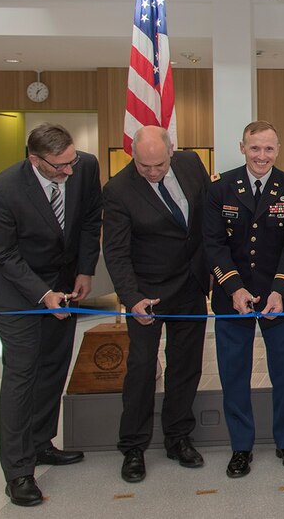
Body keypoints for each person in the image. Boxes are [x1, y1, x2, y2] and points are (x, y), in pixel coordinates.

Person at [0, 123, 102, 507]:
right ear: (35, 160)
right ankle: (18, 472)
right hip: (18, 291)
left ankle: (40, 442)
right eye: (59, 166)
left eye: (72, 161)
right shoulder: (3, 190)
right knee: (22, 375)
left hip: (64, 283)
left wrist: (85, 271)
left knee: (53, 365)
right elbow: (3, 254)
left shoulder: (84, 166)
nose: (69, 171)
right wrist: (43, 293)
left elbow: (88, 220)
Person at [103, 126, 209, 483]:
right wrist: (131, 298)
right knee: (143, 368)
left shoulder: (192, 164)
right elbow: (115, 252)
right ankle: (133, 446)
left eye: (159, 165)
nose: (151, 172)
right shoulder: (118, 190)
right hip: (147, 294)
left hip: (191, 286)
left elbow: (204, 221)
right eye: (143, 165)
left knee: (186, 366)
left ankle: (178, 437)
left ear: (172, 151)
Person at [204, 121, 284, 478]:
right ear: (242, 147)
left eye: (268, 149)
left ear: (277, 149)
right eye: (254, 148)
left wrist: (279, 290)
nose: (261, 156)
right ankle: (241, 447)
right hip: (232, 296)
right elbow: (213, 244)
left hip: (280, 298)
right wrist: (233, 288)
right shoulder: (219, 188)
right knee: (235, 375)